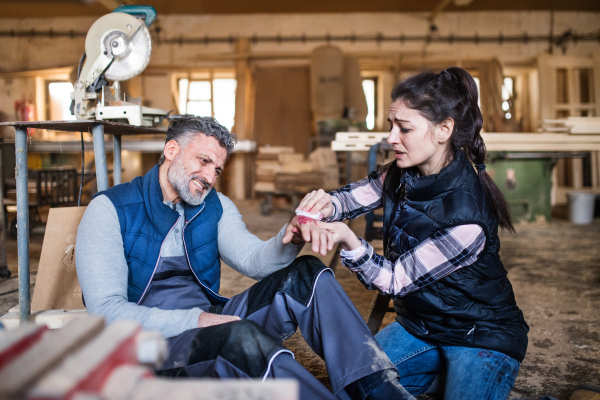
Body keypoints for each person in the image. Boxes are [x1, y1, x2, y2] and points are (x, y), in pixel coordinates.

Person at [75, 116, 414, 400]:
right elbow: (107, 314)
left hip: (205, 324)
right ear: (171, 150)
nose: (209, 177)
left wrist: (288, 237)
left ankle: (377, 389)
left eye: (217, 169)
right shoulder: (110, 210)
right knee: (241, 338)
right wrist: (197, 321)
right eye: (203, 161)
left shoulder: (215, 206)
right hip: (153, 347)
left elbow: (254, 261)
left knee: (306, 275)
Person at [291, 67, 529, 400]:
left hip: (480, 333)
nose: (391, 137)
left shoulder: (466, 217)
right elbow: (349, 199)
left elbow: (393, 280)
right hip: (420, 325)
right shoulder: (399, 172)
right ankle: (440, 382)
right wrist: (321, 205)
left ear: (444, 129)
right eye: (391, 125)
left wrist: (348, 240)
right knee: (353, 388)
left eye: (404, 128)